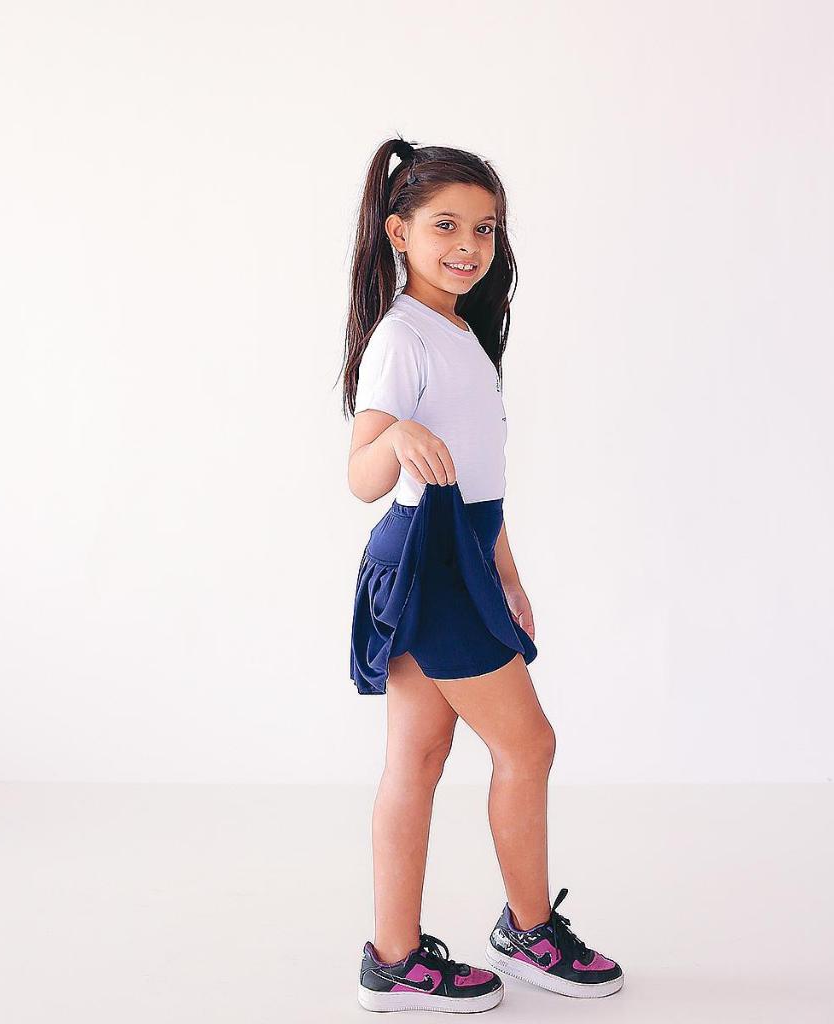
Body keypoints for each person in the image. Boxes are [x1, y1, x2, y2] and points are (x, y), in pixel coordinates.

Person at [340, 137, 624, 1013]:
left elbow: (482, 482)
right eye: (446, 225)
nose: (468, 245)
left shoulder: (462, 331)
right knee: (527, 745)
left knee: (419, 758)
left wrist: (507, 572)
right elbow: (361, 477)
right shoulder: (402, 337)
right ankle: (529, 933)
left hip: (458, 554)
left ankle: (393, 960)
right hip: (427, 561)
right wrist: (395, 437)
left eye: (486, 228)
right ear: (398, 231)